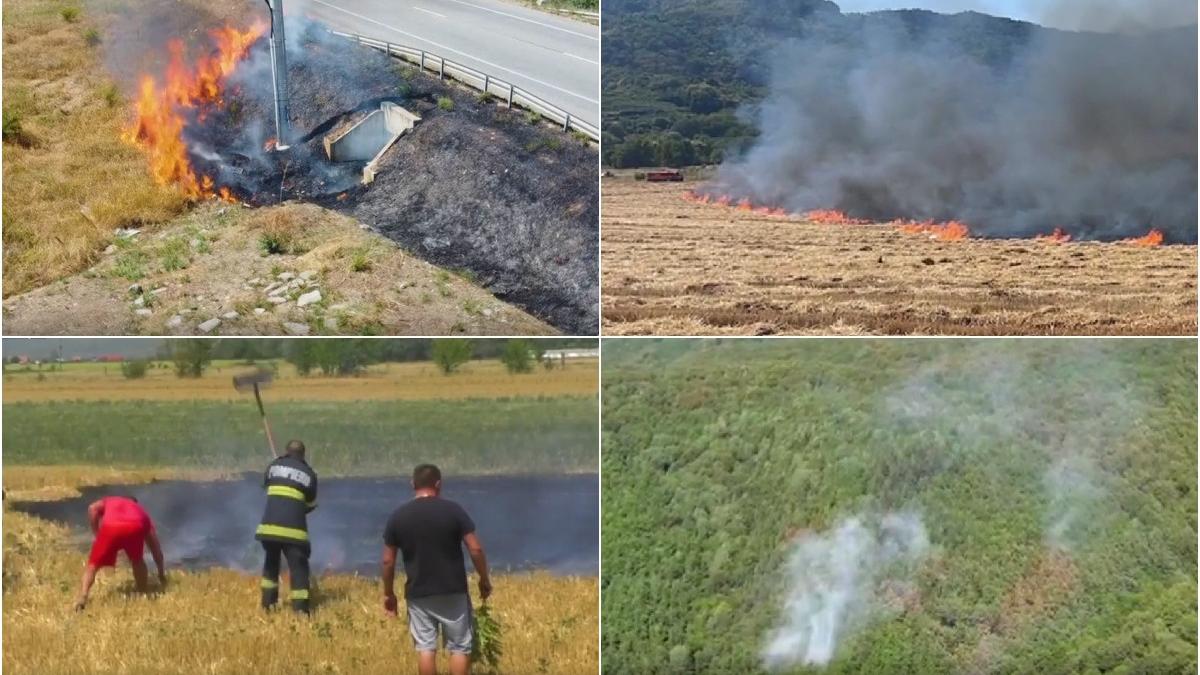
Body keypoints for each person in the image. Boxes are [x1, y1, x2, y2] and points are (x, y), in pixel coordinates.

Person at [382, 464, 492, 675]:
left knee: (425, 648)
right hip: (453, 590)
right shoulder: (453, 510)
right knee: (459, 647)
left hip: (418, 592)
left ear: (412, 484)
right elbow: (475, 548)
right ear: (439, 485)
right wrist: (484, 578)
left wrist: (389, 593)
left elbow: (388, 562)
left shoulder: (398, 516)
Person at [256, 439, 318, 613]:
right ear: (303, 454)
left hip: (268, 529)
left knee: (271, 565)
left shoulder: (273, 466)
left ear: (287, 451)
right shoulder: (309, 474)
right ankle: (301, 610)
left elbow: (267, 488)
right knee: (298, 569)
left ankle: (268, 605)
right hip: (294, 532)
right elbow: (310, 505)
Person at [73, 495, 165, 611]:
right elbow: (155, 549)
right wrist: (161, 574)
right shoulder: (142, 513)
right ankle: (142, 593)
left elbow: (92, 508)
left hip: (110, 527)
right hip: (135, 526)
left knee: (93, 566)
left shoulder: (111, 500)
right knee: (137, 561)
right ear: (136, 504)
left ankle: (83, 596)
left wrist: (97, 533)